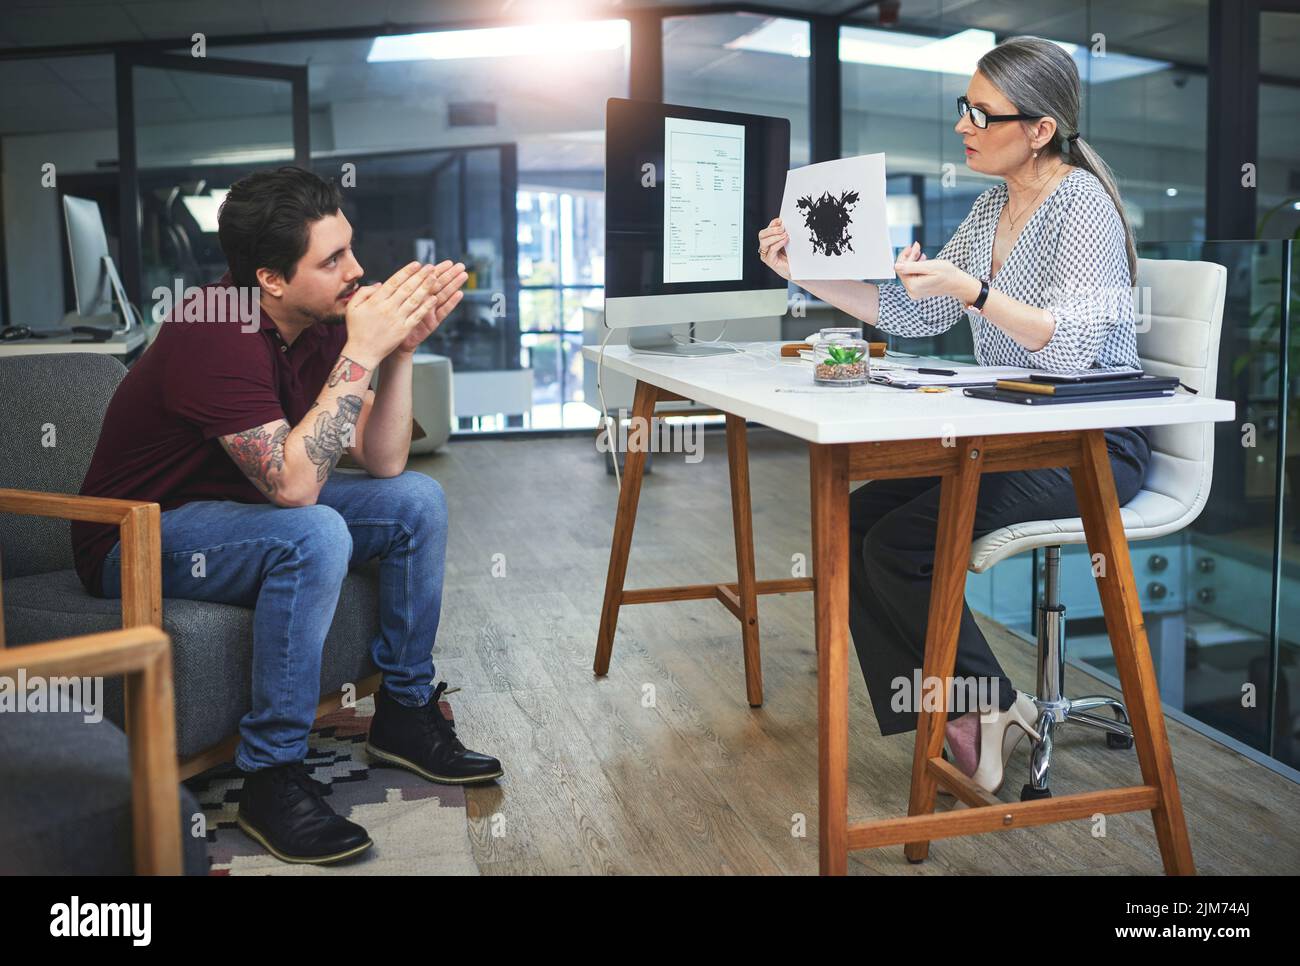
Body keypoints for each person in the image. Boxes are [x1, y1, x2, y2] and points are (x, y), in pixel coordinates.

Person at [72, 166, 502, 864]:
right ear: (271, 279)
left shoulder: (322, 318)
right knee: (312, 532)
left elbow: (383, 460)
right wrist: (364, 347)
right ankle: (270, 775)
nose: (357, 271)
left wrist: (399, 355)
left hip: (240, 510)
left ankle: (404, 712)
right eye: (332, 260)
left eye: (350, 248)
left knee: (417, 501)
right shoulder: (211, 335)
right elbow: (297, 489)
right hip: (139, 533)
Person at [758, 36, 1149, 794]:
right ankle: (969, 714)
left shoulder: (1083, 205)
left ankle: (990, 709)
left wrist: (971, 291)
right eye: (961, 107)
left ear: (1039, 130)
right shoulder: (992, 203)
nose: (963, 124)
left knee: (902, 545)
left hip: (1091, 442)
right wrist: (801, 273)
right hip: (1016, 431)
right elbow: (906, 307)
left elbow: (1070, 351)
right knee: (854, 525)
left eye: (981, 112)